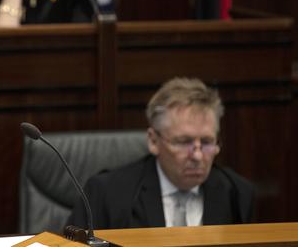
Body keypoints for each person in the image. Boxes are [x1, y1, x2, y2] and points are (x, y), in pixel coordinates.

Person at [67, 77, 254, 229]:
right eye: (183, 142)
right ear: (153, 141)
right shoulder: (107, 193)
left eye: (206, 142)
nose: (197, 156)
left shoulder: (238, 193)